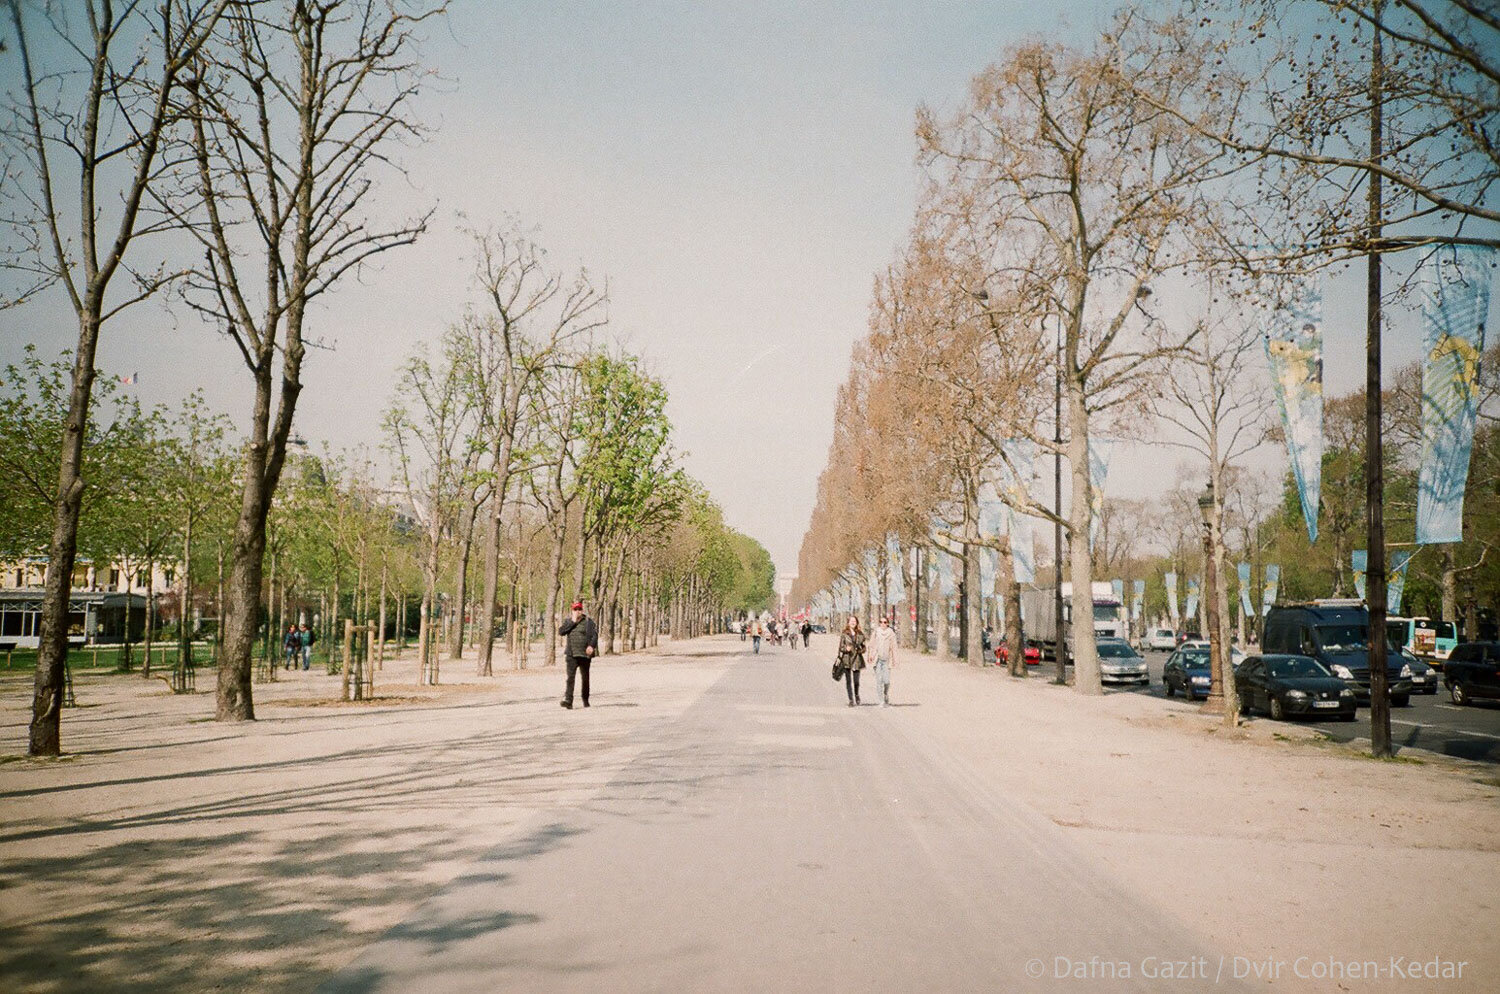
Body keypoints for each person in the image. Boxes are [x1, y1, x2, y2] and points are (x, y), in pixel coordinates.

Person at [558, 600, 598, 709]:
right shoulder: (568, 621)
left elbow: (594, 636)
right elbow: (561, 632)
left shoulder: (589, 622)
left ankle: (585, 700)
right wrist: (573, 622)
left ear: (582, 610)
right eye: (575, 609)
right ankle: (568, 701)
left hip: (584, 655)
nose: (578, 611)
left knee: (585, 678)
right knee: (570, 678)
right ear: (572, 611)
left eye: (579, 609)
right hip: (571, 655)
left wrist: (591, 646)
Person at [837, 614, 866, 707]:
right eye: (851, 621)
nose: (853, 623)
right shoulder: (844, 634)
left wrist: (860, 650)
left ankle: (857, 695)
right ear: (848, 623)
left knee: (856, 681)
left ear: (857, 623)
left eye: (854, 621)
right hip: (847, 659)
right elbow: (841, 647)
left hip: (857, 659)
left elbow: (864, 648)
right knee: (848, 681)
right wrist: (846, 648)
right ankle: (850, 699)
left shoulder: (861, 634)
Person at [869, 614, 898, 707]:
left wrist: (895, 659)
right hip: (878, 660)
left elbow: (894, 647)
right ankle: (881, 701)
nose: (882, 624)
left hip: (886, 660)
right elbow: (871, 645)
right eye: (881, 622)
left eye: (884, 622)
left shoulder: (891, 633)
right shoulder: (876, 632)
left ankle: (885, 694)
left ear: (887, 624)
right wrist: (870, 655)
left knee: (886, 681)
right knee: (879, 681)